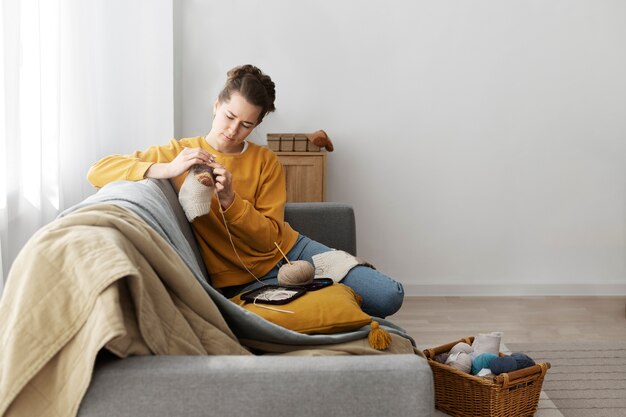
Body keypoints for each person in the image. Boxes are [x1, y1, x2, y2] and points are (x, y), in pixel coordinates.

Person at [87, 64, 404, 318]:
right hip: (242, 281)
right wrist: (166, 169)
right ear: (216, 105)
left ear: (256, 126)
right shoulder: (181, 152)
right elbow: (97, 171)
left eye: (246, 125)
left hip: (291, 251)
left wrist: (230, 201)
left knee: (390, 295)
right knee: (327, 311)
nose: (233, 130)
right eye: (229, 116)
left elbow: (269, 236)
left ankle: (335, 292)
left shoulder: (265, 160)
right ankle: (333, 301)